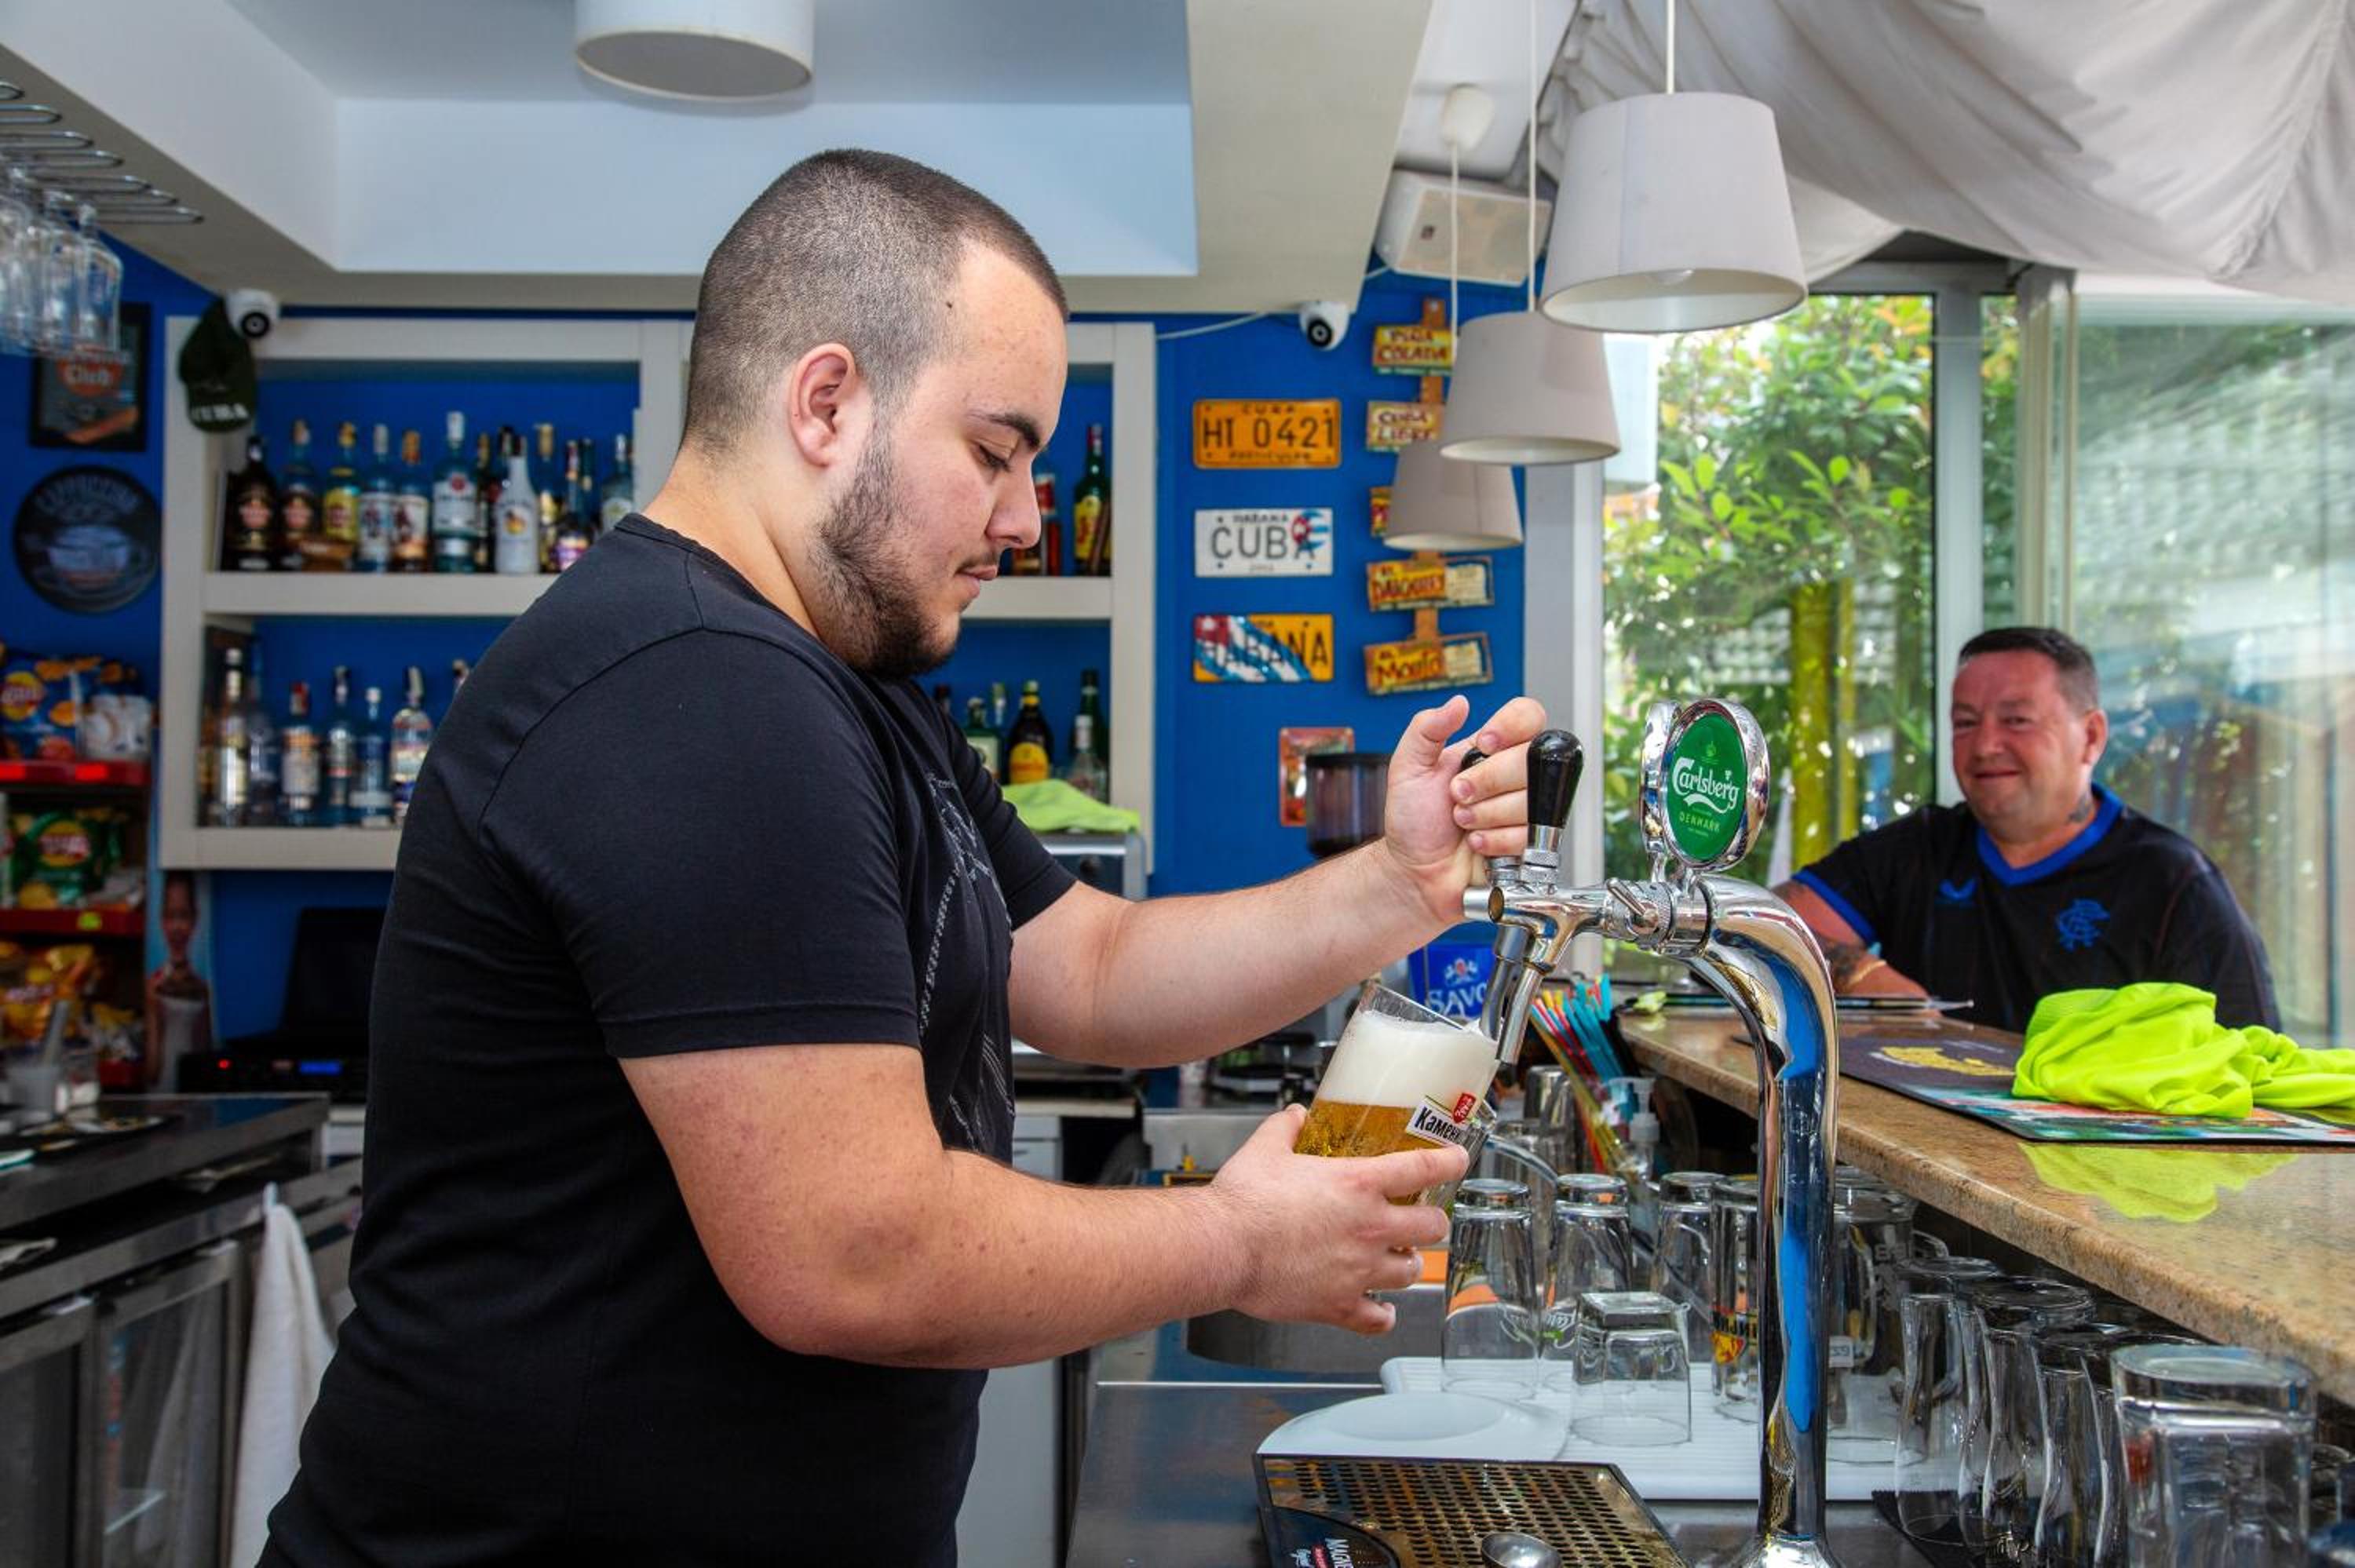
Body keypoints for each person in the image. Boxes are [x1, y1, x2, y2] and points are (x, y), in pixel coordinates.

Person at [261, 150, 1546, 1566]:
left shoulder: (845, 687)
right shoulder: (695, 690)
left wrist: (1394, 881)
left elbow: (1095, 968)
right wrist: (1239, 1241)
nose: (1027, 518)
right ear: (826, 403)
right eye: (994, 452)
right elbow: (854, 1252)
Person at [1778, 625, 2278, 1032]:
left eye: (2016, 720)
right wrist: (1863, 975)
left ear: (2092, 737)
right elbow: (1767, 927)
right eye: (1965, 723)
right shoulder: (1922, 847)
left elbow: (2251, 1067)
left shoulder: (2174, 884)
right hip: (1913, 1128)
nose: (1984, 746)